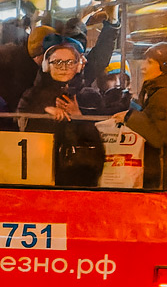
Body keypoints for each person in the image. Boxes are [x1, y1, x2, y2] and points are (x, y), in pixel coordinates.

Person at [17, 39, 105, 187]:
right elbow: (19, 121)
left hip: (80, 172)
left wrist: (78, 117)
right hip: (40, 166)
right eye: (57, 62)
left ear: (78, 66)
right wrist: (44, 110)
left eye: (69, 62)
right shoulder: (33, 95)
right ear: (46, 66)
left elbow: (95, 139)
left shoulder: (88, 96)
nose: (64, 67)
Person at [111, 42, 167, 190]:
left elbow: (160, 137)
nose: (143, 66)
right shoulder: (160, 91)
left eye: (150, 62)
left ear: (165, 66)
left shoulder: (163, 94)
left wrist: (129, 117)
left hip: (162, 178)